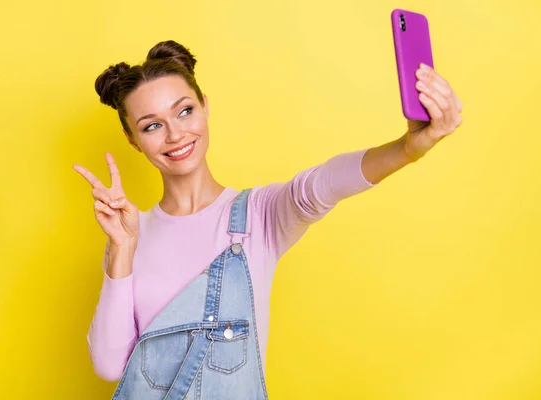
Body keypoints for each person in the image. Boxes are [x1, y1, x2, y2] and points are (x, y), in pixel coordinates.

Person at [73, 40, 462, 399]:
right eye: (152, 125)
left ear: (205, 106)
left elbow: (321, 184)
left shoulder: (258, 215)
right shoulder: (131, 234)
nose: (175, 134)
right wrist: (120, 250)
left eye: (185, 111)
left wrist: (408, 149)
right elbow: (109, 367)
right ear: (132, 139)